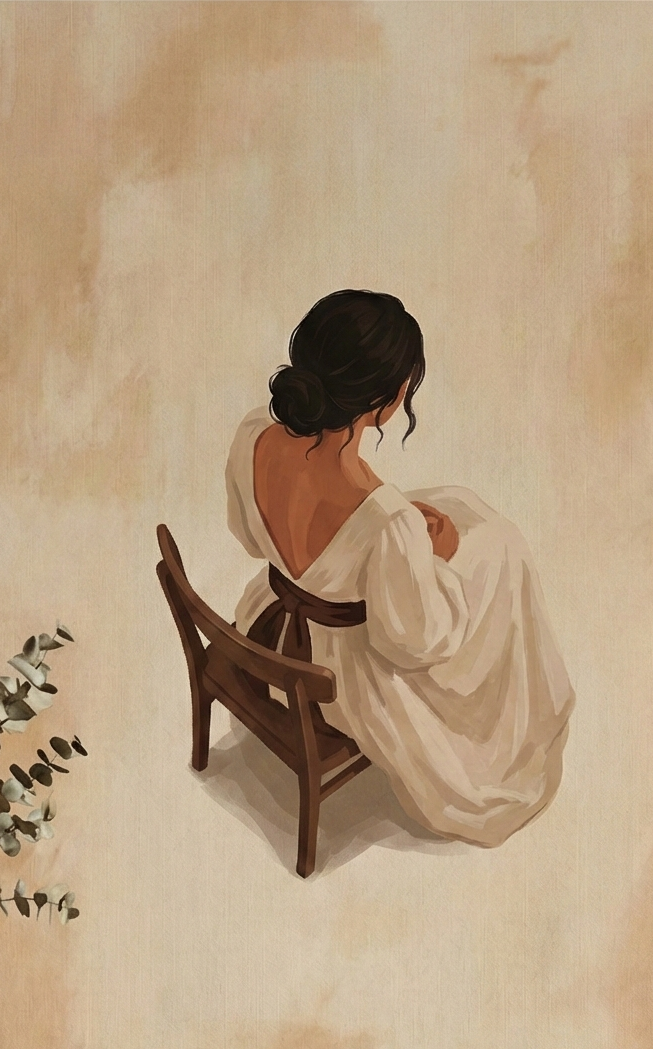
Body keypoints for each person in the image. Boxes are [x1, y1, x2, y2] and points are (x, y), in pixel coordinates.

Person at [226, 289, 574, 849]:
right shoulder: (386, 518)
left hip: (278, 607)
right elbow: (412, 641)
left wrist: (386, 549)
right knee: (499, 556)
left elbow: (248, 536)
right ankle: (520, 705)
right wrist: (433, 559)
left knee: (459, 504)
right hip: (337, 666)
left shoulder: (253, 435)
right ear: (386, 401)